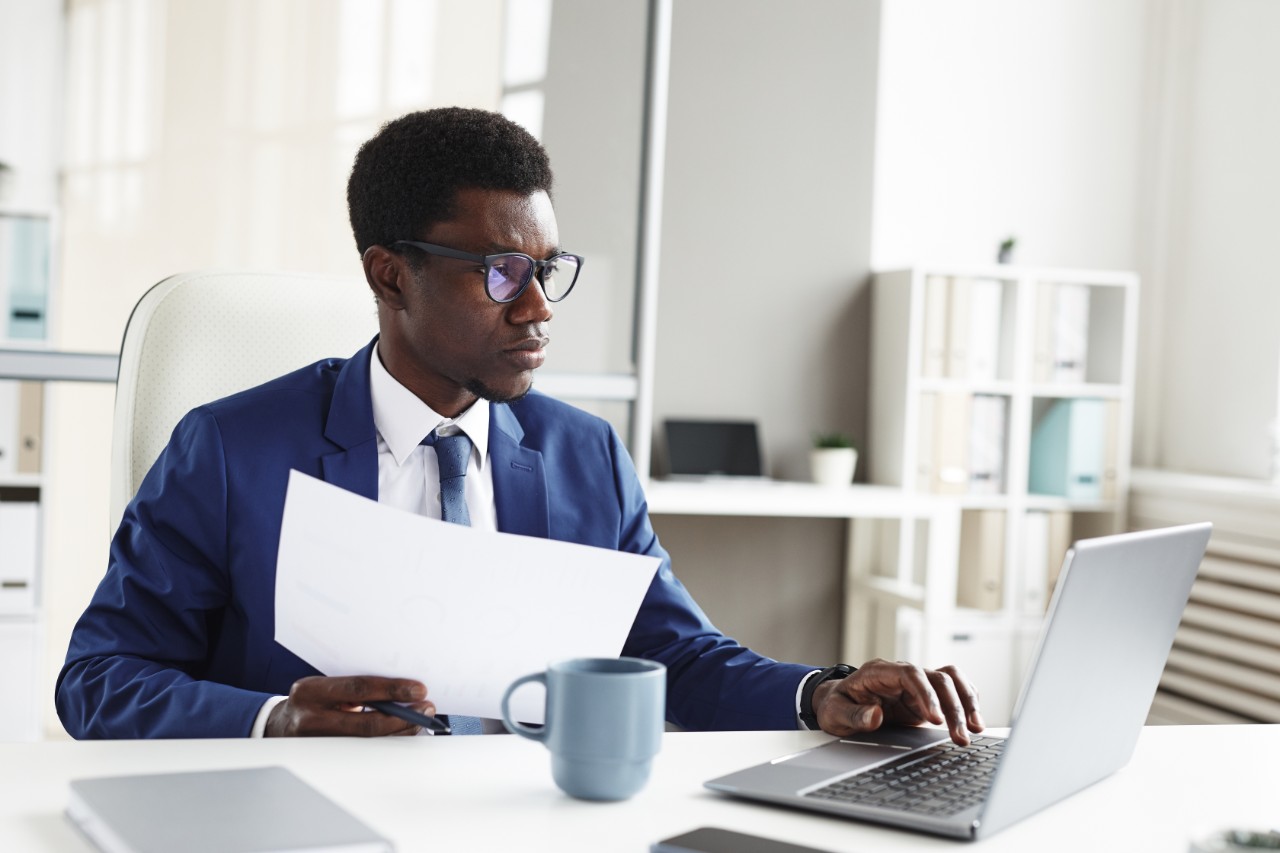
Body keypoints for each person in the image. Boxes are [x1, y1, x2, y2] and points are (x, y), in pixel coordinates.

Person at [56, 107, 983, 743]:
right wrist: (276, 719)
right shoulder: (229, 451)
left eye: (548, 267)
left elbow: (669, 650)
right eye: (502, 271)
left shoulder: (584, 455)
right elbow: (99, 676)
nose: (538, 306)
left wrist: (819, 692)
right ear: (390, 276)